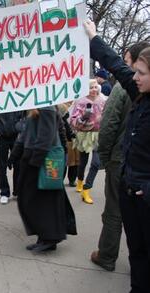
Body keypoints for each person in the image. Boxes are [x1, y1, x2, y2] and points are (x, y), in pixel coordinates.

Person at [85, 20, 150, 292]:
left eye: (142, 73)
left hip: (145, 195)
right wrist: (94, 38)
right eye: (135, 71)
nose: (134, 77)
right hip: (129, 186)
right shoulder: (139, 94)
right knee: (136, 253)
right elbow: (118, 68)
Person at [9, 107, 76, 252]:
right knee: (36, 200)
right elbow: (25, 135)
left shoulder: (46, 108)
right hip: (34, 158)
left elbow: (46, 137)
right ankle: (45, 236)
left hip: (42, 161)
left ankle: (50, 237)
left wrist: (34, 163)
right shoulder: (34, 106)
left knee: (44, 200)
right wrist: (15, 154)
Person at [70, 80, 106, 204]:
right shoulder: (81, 101)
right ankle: (79, 181)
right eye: (91, 87)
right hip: (84, 135)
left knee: (96, 163)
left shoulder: (103, 100)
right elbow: (73, 121)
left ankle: (87, 189)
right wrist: (84, 117)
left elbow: (108, 115)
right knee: (83, 162)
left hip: (98, 135)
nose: (94, 90)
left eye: (96, 87)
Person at [0, 111, 24, 204]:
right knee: (2, 167)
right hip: (2, 137)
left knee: (18, 165)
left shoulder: (16, 101)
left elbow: (23, 116)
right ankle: (4, 192)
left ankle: (17, 191)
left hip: (16, 136)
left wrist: (20, 129)